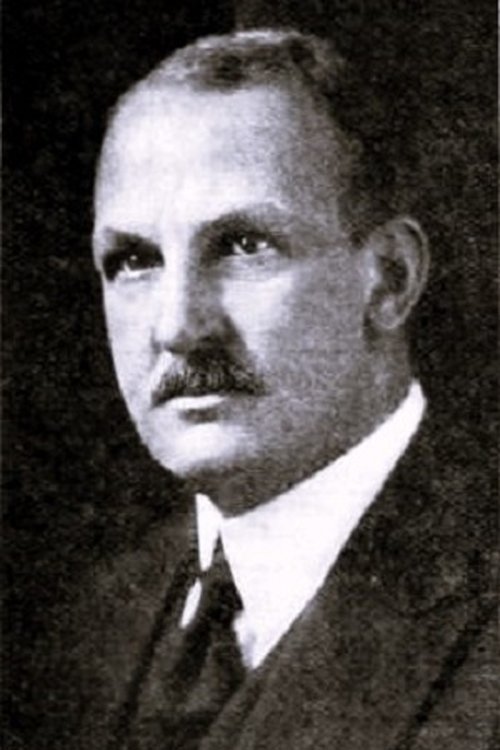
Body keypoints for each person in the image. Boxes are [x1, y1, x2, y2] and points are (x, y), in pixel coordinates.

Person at [38, 29, 497, 750]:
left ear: (389, 279)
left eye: (244, 246)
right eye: (134, 260)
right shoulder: (80, 628)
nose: (178, 327)